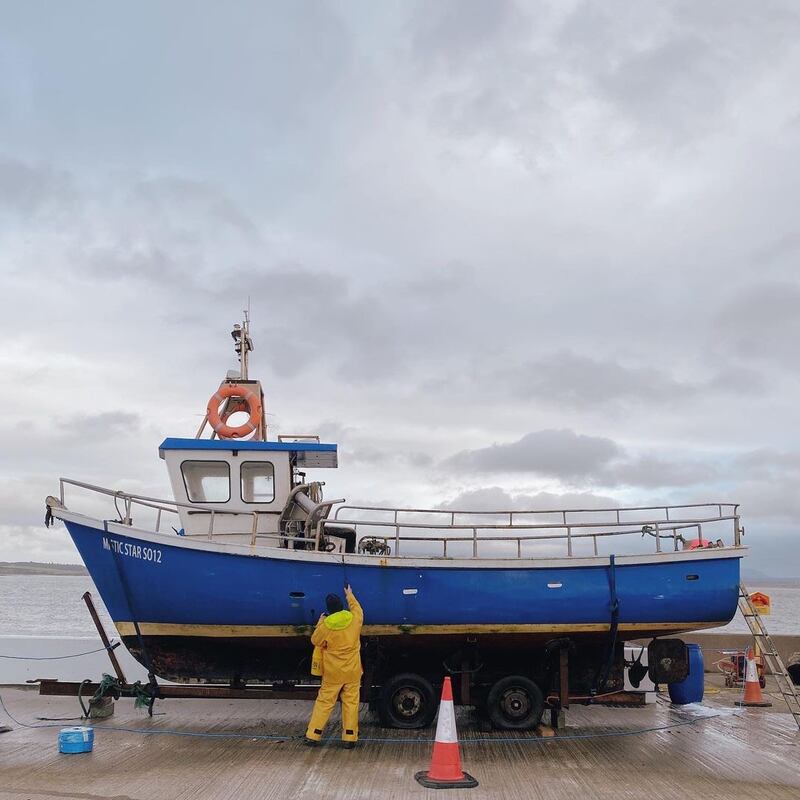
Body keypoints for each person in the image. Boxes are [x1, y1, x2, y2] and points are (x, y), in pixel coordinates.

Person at [305, 583, 363, 748]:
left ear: (329, 609)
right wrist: (349, 594)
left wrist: (321, 621)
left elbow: (315, 640)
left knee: (325, 702)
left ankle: (313, 734)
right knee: (351, 703)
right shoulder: (355, 619)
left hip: (333, 673)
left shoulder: (327, 626)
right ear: (341, 607)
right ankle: (349, 738)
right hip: (353, 670)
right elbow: (357, 608)